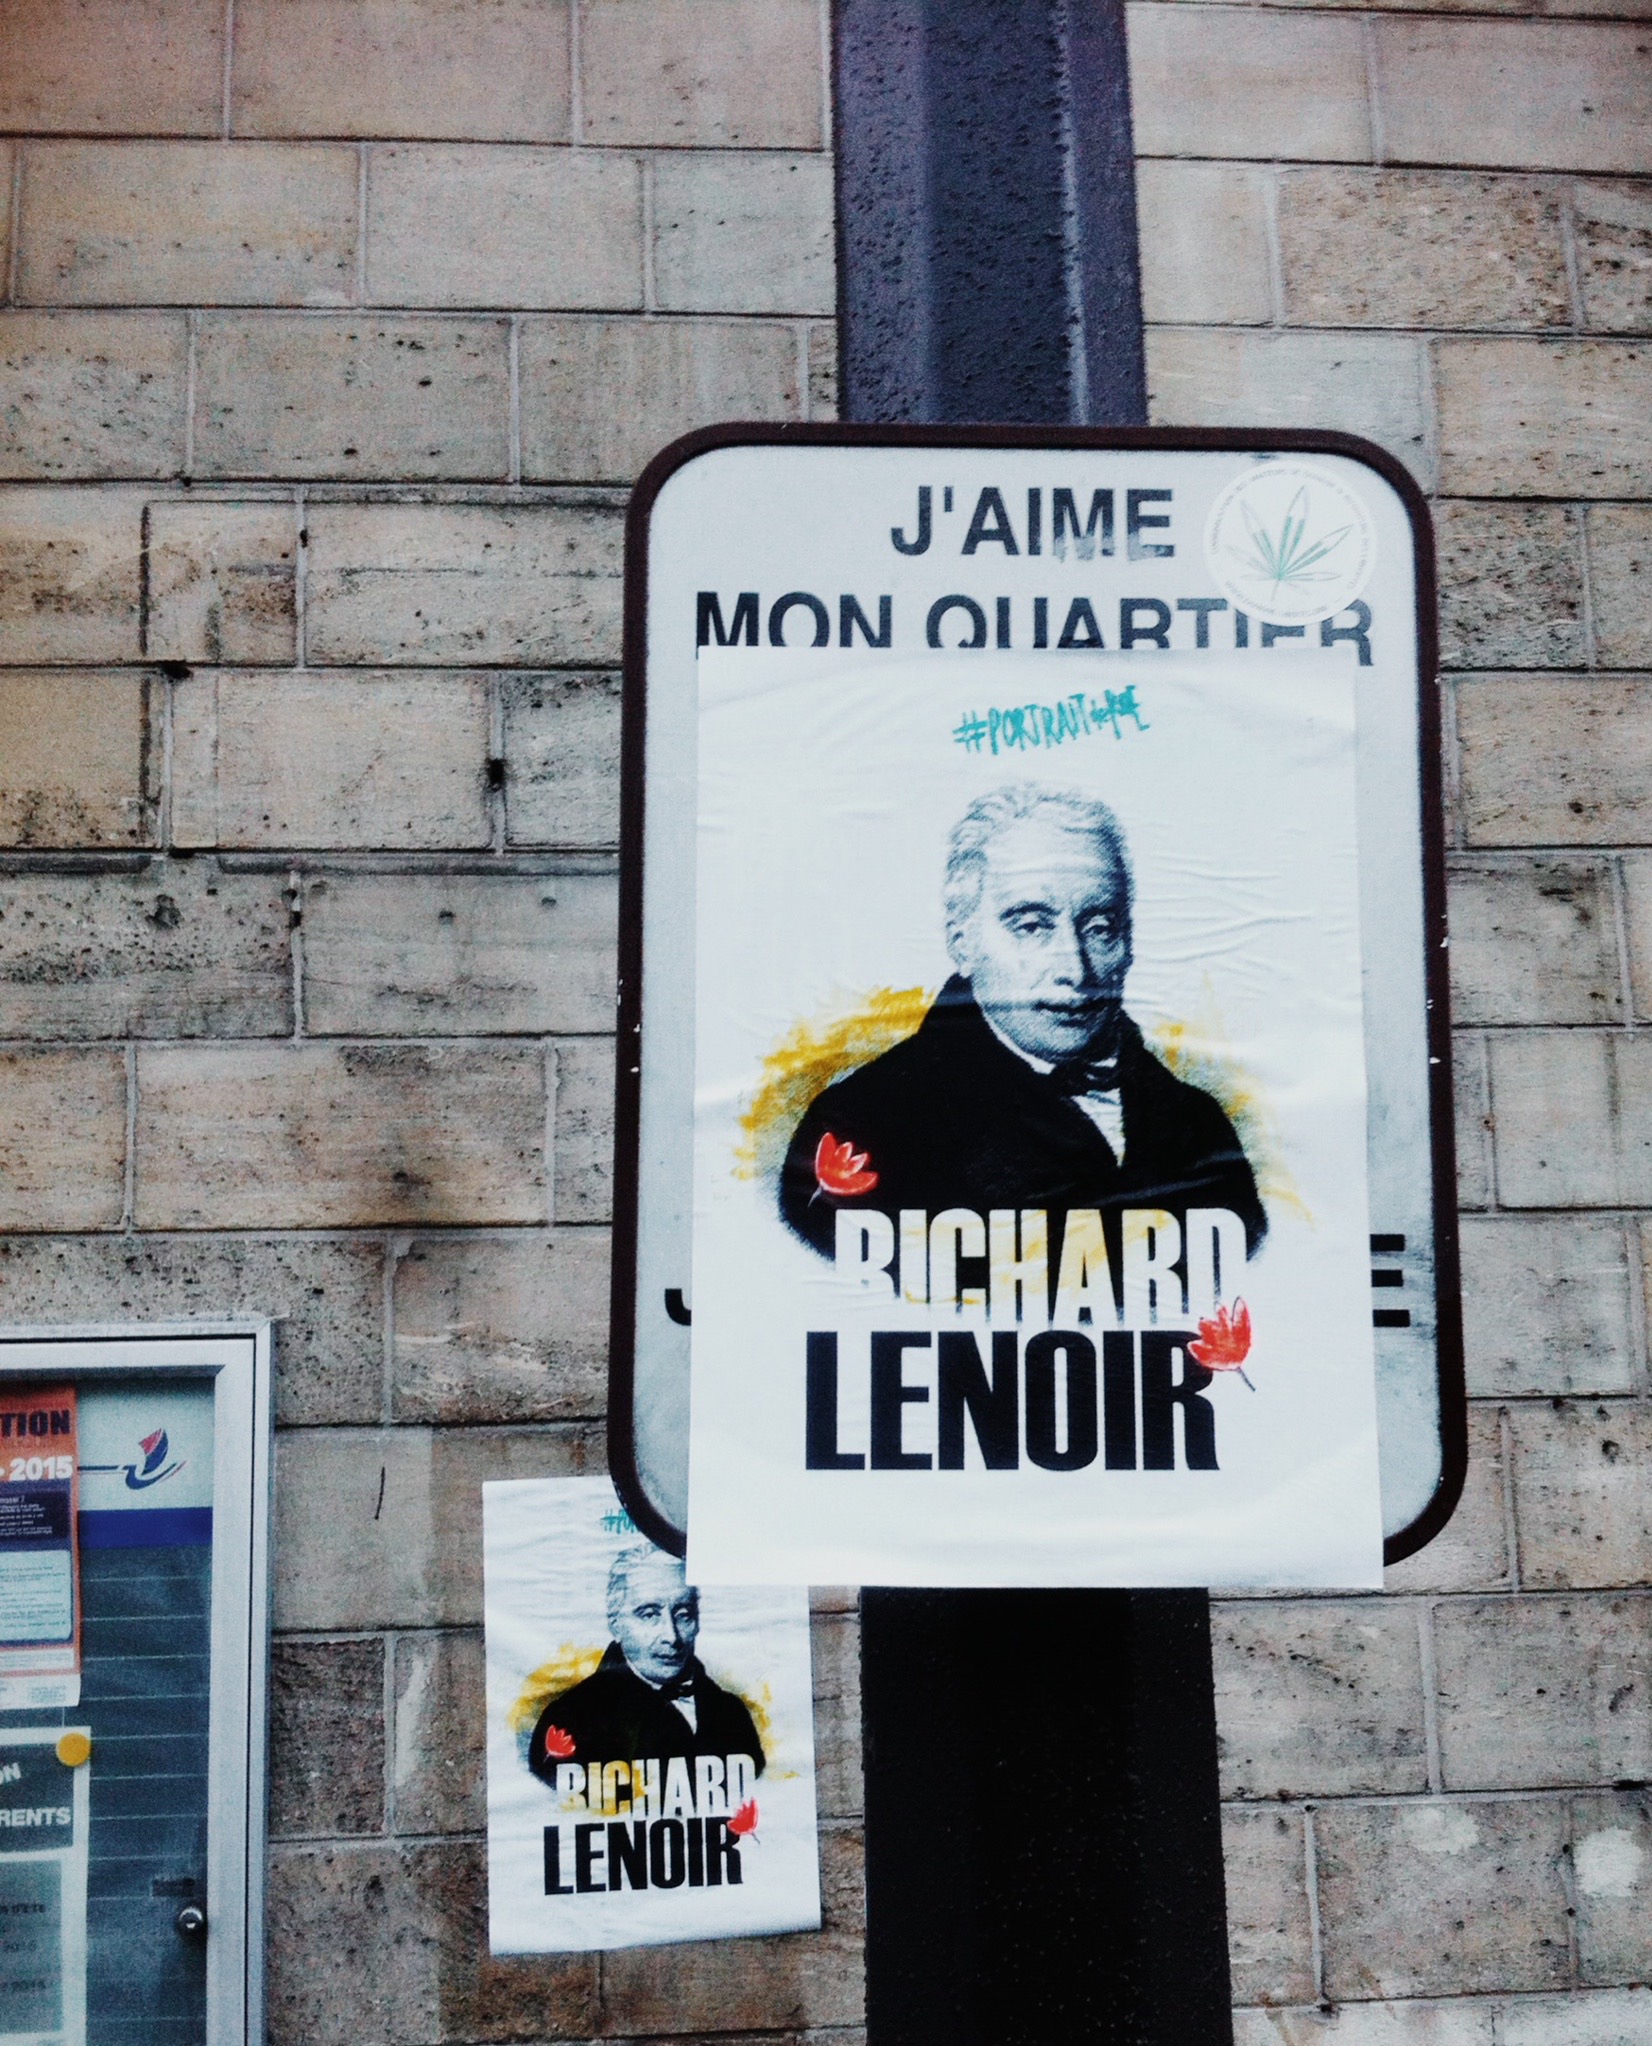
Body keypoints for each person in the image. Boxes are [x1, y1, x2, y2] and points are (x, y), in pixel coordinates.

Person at [779, 784, 1267, 1272]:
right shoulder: (863, 1125)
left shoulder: (1198, 1124)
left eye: (1100, 927)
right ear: (963, 942)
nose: (1075, 969)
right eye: (1032, 926)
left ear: (1128, 944)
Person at [527, 1547, 764, 1782]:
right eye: (649, 1614)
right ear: (615, 1624)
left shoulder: (731, 1712)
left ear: (697, 1621)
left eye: (683, 1614)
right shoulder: (570, 1719)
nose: (671, 1636)